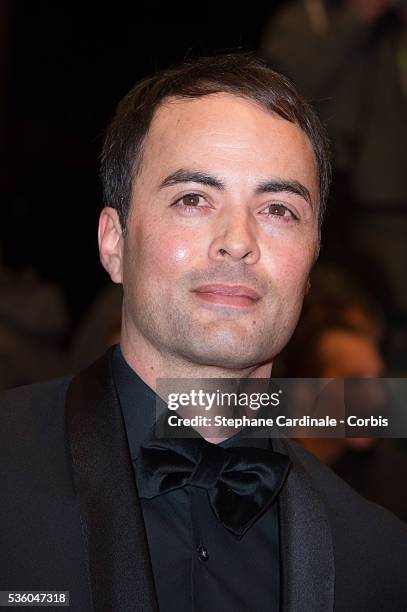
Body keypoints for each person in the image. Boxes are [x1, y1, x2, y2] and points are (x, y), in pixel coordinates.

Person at [1, 53, 406, 612]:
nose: (237, 239)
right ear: (113, 241)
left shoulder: (382, 563)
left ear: (311, 262)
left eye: (278, 210)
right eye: (193, 199)